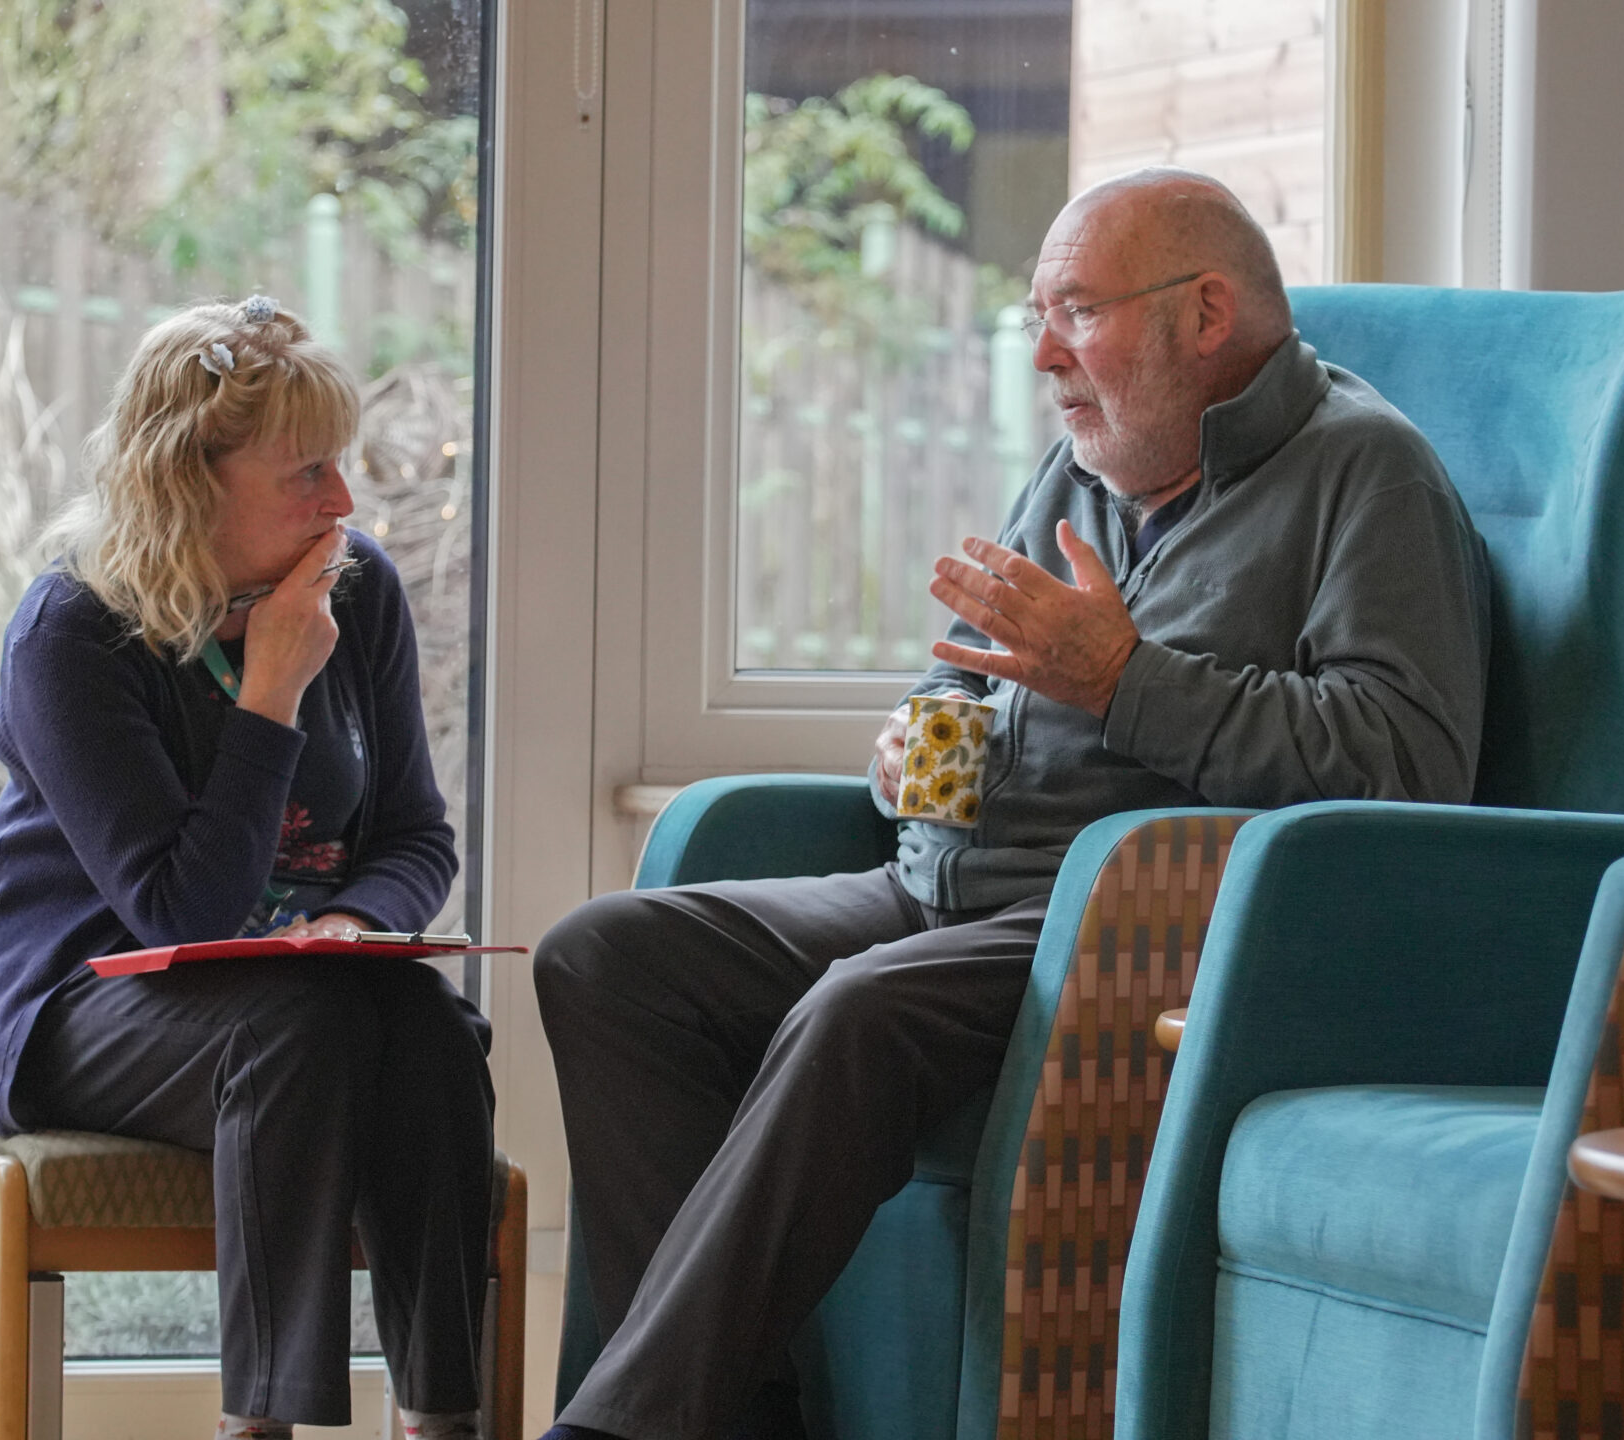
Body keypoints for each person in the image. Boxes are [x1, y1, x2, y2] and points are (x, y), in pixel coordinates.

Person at [534, 168, 1493, 1440]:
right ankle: (723, 1421)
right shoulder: (1085, 466)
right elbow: (968, 670)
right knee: (607, 956)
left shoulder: (1367, 474)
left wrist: (1127, 682)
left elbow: (1405, 767)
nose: (1045, 354)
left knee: (858, 1011)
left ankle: (623, 1428)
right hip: (939, 887)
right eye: (1040, 316)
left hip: (1126, 924)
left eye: (1078, 312)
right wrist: (913, 744)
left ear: (1207, 315)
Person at [0, 297, 492, 1440]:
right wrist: (272, 693)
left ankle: (443, 1417)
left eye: (339, 466)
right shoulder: (73, 630)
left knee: (429, 1028)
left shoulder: (358, 589)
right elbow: (178, 910)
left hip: (298, 992)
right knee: (300, 1029)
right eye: (306, 474)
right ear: (191, 481)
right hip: (81, 1000)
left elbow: (415, 835)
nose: (342, 502)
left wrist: (355, 923)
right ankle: (260, 1424)